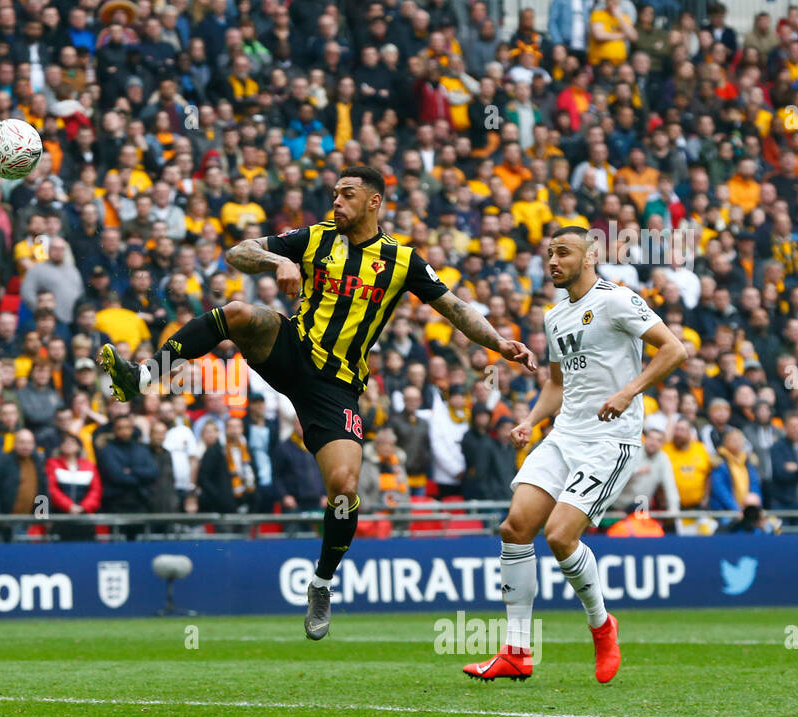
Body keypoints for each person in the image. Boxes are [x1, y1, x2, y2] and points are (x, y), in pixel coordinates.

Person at [97, 165, 537, 640]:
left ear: (374, 202)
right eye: (334, 194)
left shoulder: (402, 260)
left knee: (345, 488)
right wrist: (275, 261)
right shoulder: (314, 237)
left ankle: (322, 583)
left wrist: (498, 343)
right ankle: (141, 376)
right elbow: (236, 252)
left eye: (347, 195)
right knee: (241, 312)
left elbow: (455, 308)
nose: (337, 202)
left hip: (335, 387)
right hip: (292, 348)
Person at [464, 227, 686, 683]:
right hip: (564, 435)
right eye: (549, 254)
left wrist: (628, 392)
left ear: (589, 257)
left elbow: (674, 350)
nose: (552, 261)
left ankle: (602, 627)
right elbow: (557, 384)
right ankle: (517, 652)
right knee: (515, 527)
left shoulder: (617, 300)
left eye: (562, 253)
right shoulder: (554, 316)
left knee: (561, 536)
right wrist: (532, 420)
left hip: (610, 440)